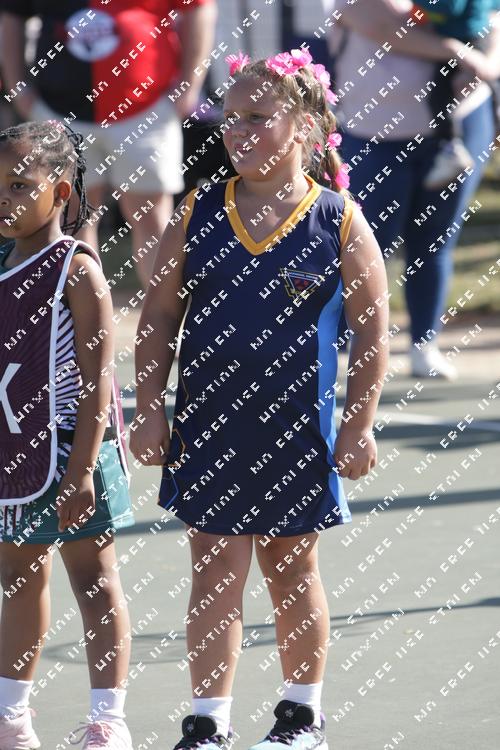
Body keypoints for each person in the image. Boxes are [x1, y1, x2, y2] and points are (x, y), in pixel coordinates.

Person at [130, 49, 389, 750]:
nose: (237, 130)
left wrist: (359, 424)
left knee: (291, 568)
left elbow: (372, 331)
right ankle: (208, 721)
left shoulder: (338, 218)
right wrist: (149, 407)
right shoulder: (199, 209)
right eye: (230, 117)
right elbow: (159, 317)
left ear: (304, 126)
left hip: (296, 432)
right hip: (209, 425)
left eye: (256, 117)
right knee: (214, 569)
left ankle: (301, 717)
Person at [0, 121, 134, 749]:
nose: (4, 198)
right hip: (15, 451)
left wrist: (80, 473)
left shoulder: (77, 272)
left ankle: (108, 719)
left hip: (78, 451)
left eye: (18, 185)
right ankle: (12, 718)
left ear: (58, 192)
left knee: (94, 580)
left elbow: (97, 385)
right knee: (19, 578)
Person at [325, 0, 500, 379]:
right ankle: (336, 349)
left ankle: (424, 345)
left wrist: (485, 63)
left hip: (459, 126)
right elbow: (385, 27)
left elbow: (492, 22)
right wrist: (457, 52)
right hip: (374, 132)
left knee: (436, 240)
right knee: (365, 246)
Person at [0, 0, 217, 288]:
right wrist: (19, 89)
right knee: (69, 218)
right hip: (59, 111)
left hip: (147, 109)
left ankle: (163, 312)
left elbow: (199, 7)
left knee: (151, 215)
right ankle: (82, 313)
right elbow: (13, 14)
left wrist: (188, 86)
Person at [415, 0, 500, 189]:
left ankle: (451, 149)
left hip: (464, 40)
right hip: (476, 37)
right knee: (485, 81)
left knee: (439, 97)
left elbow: (451, 6)